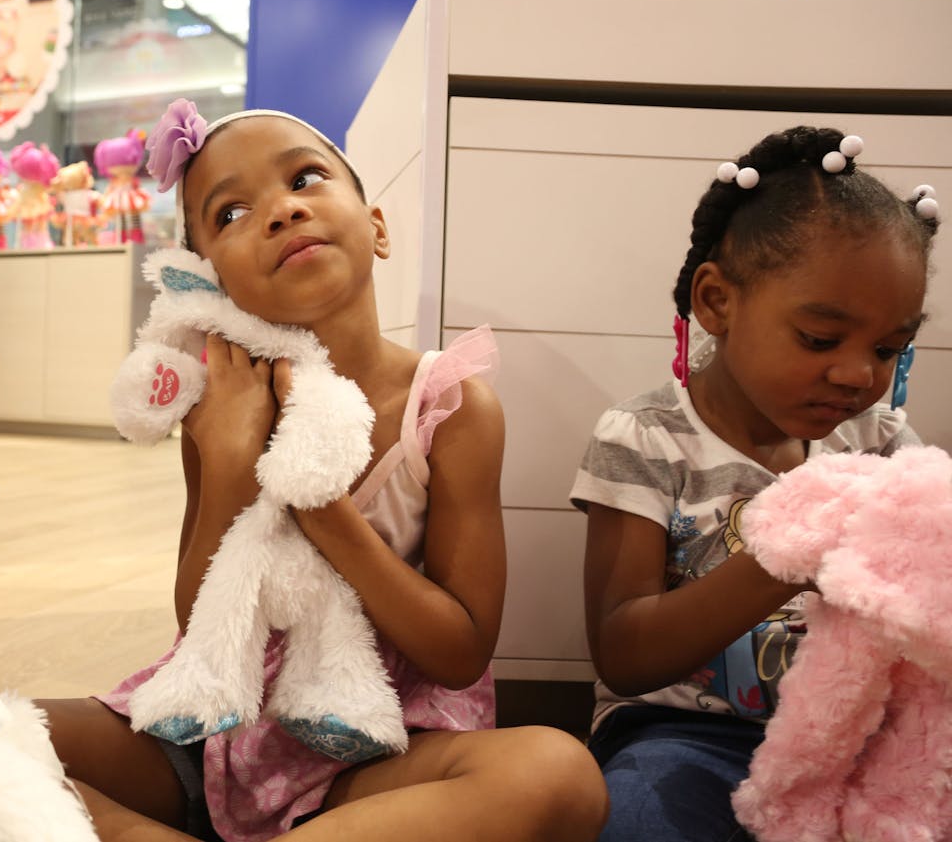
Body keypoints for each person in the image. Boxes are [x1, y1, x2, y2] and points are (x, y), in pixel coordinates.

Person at [40, 99, 608, 842]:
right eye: (232, 212)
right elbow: (200, 622)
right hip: (219, 744)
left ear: (376, 226)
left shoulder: (449, 407)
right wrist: (235, 456)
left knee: (554, 773)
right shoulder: (217, 408)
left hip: (381, 757)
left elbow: (460, 648)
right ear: (207, 282)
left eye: (305, 178)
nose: (279, 212)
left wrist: (321, 508)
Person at [573, 126, 940, 842]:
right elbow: (624, 653)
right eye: (819, 338)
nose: (858, 374)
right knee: (636, 822)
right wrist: (788, 554)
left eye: (888, 348)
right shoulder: (644, 437)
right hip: (681, 736)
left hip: (861, 738)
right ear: (717, 301)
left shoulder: (881, 441)